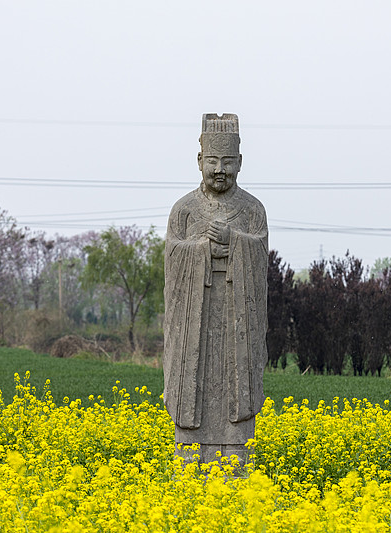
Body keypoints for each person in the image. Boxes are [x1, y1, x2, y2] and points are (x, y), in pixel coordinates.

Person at [163, 113, 268, 465]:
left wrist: (236, 243)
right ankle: (191, 450)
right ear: (199, 161)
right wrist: (201, 250)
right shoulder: (185, 211)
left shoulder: (252, 210)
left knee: (234, 381)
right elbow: (173, 257)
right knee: (196, 377)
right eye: (212, 161)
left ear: (239, 163)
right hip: (196, 313)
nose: (219, 169)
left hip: (236, 310)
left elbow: (260, 255)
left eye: (227, 161)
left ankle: (235, 450)